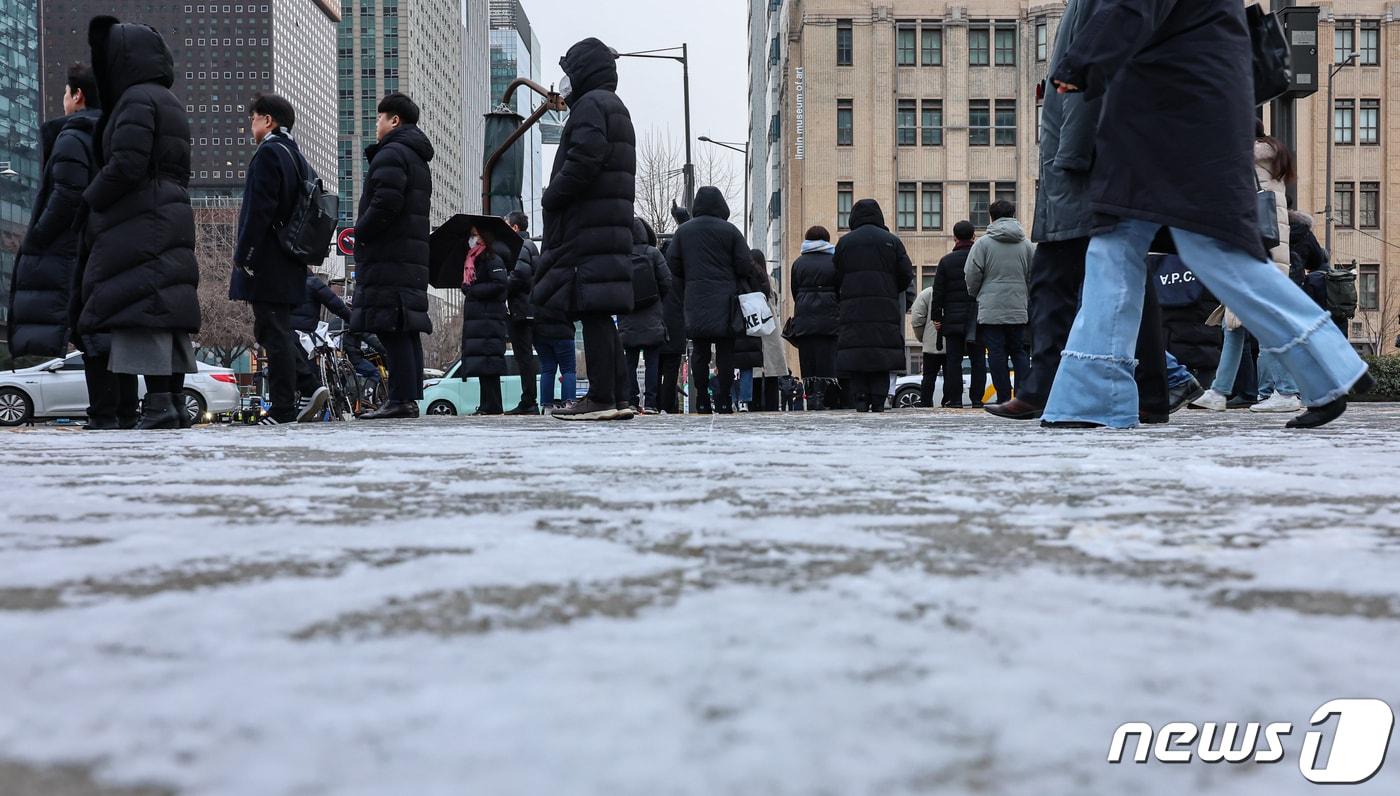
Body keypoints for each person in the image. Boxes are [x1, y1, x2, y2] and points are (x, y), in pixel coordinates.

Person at [1041, 0, 1369, 430]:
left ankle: (1332, 367)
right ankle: (1090, 399)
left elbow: (1131, 7)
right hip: (1182, 116)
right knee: (1125, 250)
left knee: (1202, 250)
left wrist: (1078, 63)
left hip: (1167, 121)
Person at [79, 16, 200, 431]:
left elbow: (127, 164)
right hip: (169, 209)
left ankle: (159, 405)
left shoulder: (134, 101)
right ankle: (172, 402)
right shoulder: (167, 101)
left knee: (139, 310)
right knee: (164, 309)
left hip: (138, 216)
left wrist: (90, 198)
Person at [10, 65, 120, 428]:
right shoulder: (113, 135)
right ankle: (118, 412)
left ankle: (104, 414)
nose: (63, 100)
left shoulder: (75, 134)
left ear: (78, 96)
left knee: (90, 335)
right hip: (105, 246)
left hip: (72, 251)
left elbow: (67, 195)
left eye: (65, 92)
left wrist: (37, 237)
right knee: (104, 333)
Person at [533, 38, 636, 422]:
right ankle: (618, 395)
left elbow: (585, 158)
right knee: (600, 313)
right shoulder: (614, 106)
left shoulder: (591, 106)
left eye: (569, 72)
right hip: (606, 225)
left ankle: (601, 396)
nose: (564, 82)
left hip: (587, 226)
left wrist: (551, 195)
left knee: (591, 309)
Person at [228, 93, 330, 425]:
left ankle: (287, 404)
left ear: (268, 120)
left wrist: (245, 255)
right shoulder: (298, 157)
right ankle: (308, 388)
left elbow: (258, 211)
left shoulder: (269, 153)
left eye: (253, 118)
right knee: (274, 327)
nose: (251, 125)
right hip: (291, 259)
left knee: (274, 330)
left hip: (268, 259)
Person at [1191, 129, 1303, 414]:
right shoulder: (1270, 160)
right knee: (1233, 325)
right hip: (1263, 246)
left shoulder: (1249, 158)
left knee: (1263, 324)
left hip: (1254, 248)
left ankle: (1287, 392)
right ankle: (1219, 390)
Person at [350, 92, 434, 420]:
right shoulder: (416, 157)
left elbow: (385, 203)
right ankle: (408, 398)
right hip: (408, 255)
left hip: (389, 255)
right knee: (404, 328)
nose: (376, 125)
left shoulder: (392, 153)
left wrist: (362, 232)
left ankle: (400, 399)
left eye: (379, 118)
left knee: (390, 326)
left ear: (394, 120)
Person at [667, 186, 752, 414]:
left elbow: (673, 264)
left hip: (696, 300)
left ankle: (702, 398)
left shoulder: (684, 232)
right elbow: (745, 264)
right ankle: (724, 399)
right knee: (726, 353)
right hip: (726, 302)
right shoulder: (731, 231)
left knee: (700, 352)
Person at [833, 199, 915, 412]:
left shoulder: (844, 243)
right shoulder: (892, 241)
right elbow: (906, 274)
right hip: (884, 308)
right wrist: (890, 289)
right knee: (881, 355)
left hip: (853, 309)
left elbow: (836, 276)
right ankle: (878, 400)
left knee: (857, 354)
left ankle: (860, 398)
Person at [965, 200, 1032, 405]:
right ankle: (1022, 396)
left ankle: (1004, 396)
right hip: (1018, 307)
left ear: (991, 217)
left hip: (991, 308)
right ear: (1013, 214)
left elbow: (971, 273)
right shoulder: (1026, 244)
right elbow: (1034, 275)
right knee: (1019, 351)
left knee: (996, 353)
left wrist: (977, 293)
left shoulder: (983, 244)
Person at [929, 222, 988, 408]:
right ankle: (977, 399)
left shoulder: (946, 261)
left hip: (952, 318)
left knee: (953, 360)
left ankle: (955, 399)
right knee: (978, 359)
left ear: (954, 237)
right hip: (976, 317)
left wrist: (937, 318)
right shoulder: (981, 259)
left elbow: (937, 293)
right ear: (973, 237)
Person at [459, 219, 512, 415]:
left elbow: (500, 285)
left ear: (484, 236)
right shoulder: (472, 260)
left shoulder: (492, 259)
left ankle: (493, 406)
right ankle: (485, 405)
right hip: (479, 321)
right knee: (483, 365)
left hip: (489, 320)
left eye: (475, 234)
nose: (472, 239)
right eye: (471, 235)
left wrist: (473, 290)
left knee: (490, 365)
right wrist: (468, 289)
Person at [619, 217, 672, 412]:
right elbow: (667, 282)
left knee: (629, 362)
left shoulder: (621, 255)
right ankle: (650, 403)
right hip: (652, 315)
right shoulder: (653, 253)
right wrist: (656, 298)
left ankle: (631, 401)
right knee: (652, 362)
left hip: (628, 315)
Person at [787, 226, 840, 410]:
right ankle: (825, 398)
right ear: (826, 240)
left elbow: (795, 291)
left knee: (808, 359)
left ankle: (810, 398)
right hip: (830, 318)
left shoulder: (798, 263)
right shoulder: (835, 261)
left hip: (805, 318)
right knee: (828, 359)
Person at [504, 210, 540, 415]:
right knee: (526, 356)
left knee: (524, 357)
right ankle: (529, 399)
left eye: (507, 224)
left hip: (521, 309)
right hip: (528, 307)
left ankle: (529, 401)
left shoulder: (520, 246)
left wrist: (501, 284)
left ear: (515, 228)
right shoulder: (530, 245)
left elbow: (519, 276)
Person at [657, 203, 690, 414]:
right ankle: (666, 406)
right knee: (671, 368)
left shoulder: (658, 266)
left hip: (657, 321)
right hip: (677, 321)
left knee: (656, 366)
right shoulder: (683, 271)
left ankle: (654, 403)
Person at [909, 283, 947, 408]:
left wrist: (922, 337)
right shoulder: (954, 292)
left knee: (928, 377)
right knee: (951, 375)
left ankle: (925, 402)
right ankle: (949, 401)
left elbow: (916, 318)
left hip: (931, 344)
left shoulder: (927, 293)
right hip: (953, 343)